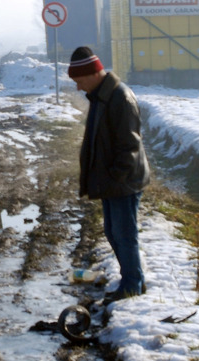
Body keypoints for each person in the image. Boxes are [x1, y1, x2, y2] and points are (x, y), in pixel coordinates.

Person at [68, 46, 151, 302]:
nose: (79, 88)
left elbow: (129, 145)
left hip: (123, 182)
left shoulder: (120, 98)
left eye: (80, 81)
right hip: (111, 182)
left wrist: (115, 176)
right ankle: (133, 280)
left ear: (93, 74)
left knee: (124, 234)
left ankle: (132, 286)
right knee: (114, 232)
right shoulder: (102, 96)